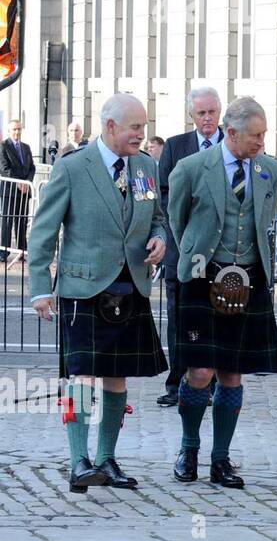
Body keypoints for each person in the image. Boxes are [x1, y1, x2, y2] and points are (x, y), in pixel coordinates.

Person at [28, 93, 168, 493]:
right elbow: (42, 232)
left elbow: (156, 216)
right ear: (110, 127)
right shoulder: (73, 168)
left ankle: (106, 459)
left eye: (143, 127)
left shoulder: (145, 167)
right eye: (134, 128)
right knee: (81, 377)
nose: (141, 135)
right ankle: (78, 462)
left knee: (117, 378)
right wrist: (40, 288)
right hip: (83, 289)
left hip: (131, 287)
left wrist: (159, 239)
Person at [167, 96, 277, 490]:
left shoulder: (270, 170)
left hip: (247, 280)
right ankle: (189, 449)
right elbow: (177, 219)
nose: (261, 142)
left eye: (264, 134)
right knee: (200, 371)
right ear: (231, 133)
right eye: (256, 135)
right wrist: (197, 256)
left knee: (232, 373)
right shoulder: (190, 169)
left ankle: (221, 459)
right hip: (202, 279)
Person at [155, 86, 227, 408]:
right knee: (180, 318)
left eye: (212, 111)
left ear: (220, 111)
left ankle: (212, 383)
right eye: (201, 113)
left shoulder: (232, 144)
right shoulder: (175, 147)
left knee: (218, 319)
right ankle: (177, 381)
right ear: (192, 116)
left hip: (223, 253)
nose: (208, 118)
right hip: (183, 249)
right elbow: (164, 196)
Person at [1, 119, 36, 259]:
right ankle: (3, 252)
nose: (17, 132)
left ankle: (22, 250)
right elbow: (4, 168)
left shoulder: (26, 147)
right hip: (9, 191)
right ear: (9, 131)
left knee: (22, 222)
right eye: (14, 129)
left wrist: (27, 182)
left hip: (24, 192)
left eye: (19, 129)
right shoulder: (3, 146)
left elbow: (32, 167)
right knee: (7, 222)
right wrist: (18, 183)